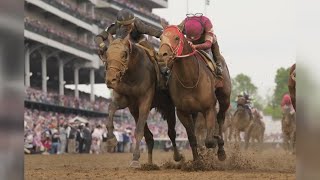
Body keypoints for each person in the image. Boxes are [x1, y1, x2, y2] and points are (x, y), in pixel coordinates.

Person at [94, 8, 163, 56]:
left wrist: (161, 34)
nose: (128, 26)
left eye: (130, 24)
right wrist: (102, 45)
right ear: (120, 24)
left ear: (133, 22)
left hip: (139, 40)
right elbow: (98, 37)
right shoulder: (114, 27)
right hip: (122, 43)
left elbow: (150, 30)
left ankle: (160, 65)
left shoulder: (138, 24)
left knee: (150, 50)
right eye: (125, 25)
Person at [177, 13, 224, 78]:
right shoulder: (185, 21)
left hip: (205, 40)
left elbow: (208, 44)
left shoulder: (207, 22)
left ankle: (219, 64)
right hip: (189, 41)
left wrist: (196, 46)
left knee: (214, 39)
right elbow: (175, 30)